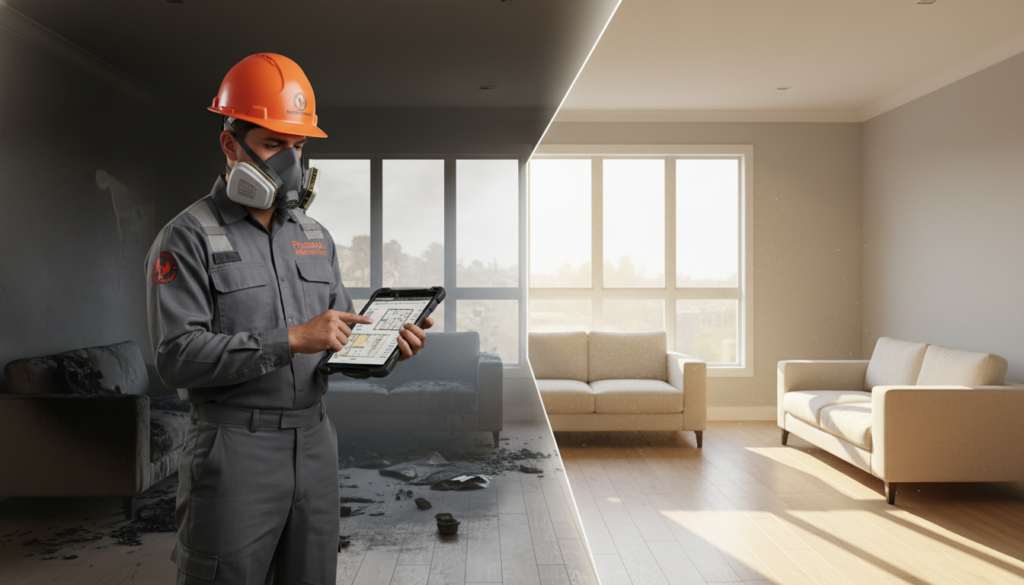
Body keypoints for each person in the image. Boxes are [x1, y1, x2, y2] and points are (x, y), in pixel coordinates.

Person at [145, 53, 432, 584]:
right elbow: (176, 359)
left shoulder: (314, 237)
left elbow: (336, 335)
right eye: (275, 145)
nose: (290, 163)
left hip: (316, 443)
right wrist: (291, 339)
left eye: (298, 146)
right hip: (234, 450)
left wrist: (386, 345)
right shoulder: (187, 236)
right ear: (231, 144)